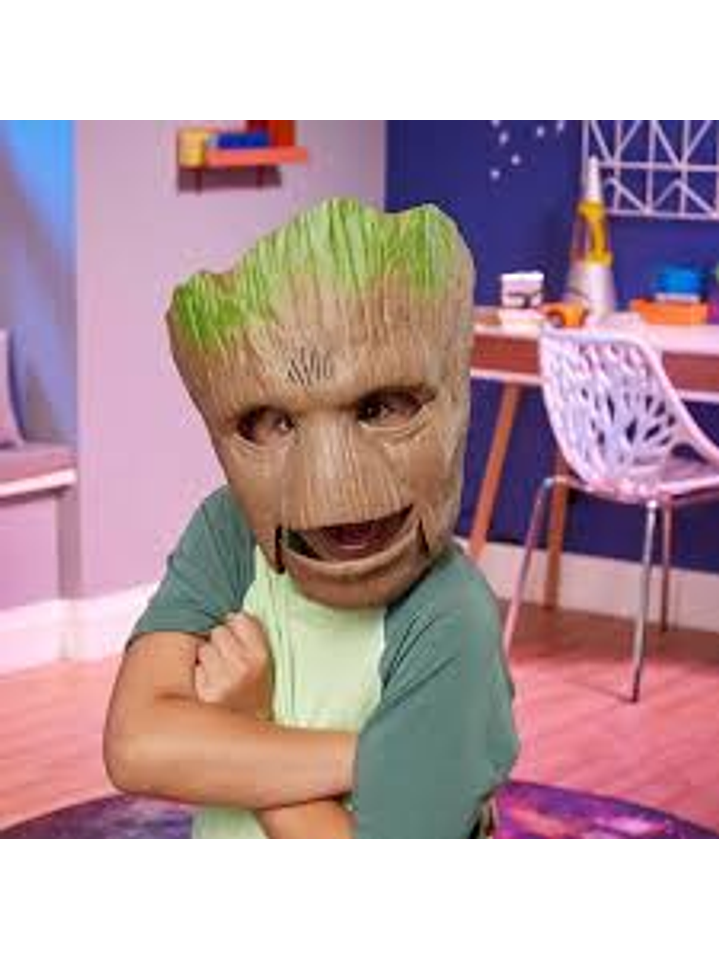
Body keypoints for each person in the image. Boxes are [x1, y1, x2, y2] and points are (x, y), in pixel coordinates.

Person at [104, 198, 519, 839]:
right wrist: (385, 761)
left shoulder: (451, 616)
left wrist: (249, 728)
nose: (331, 484)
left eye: (381, 407)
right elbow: (137, 744)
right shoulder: (229, 529)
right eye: (276, 422)